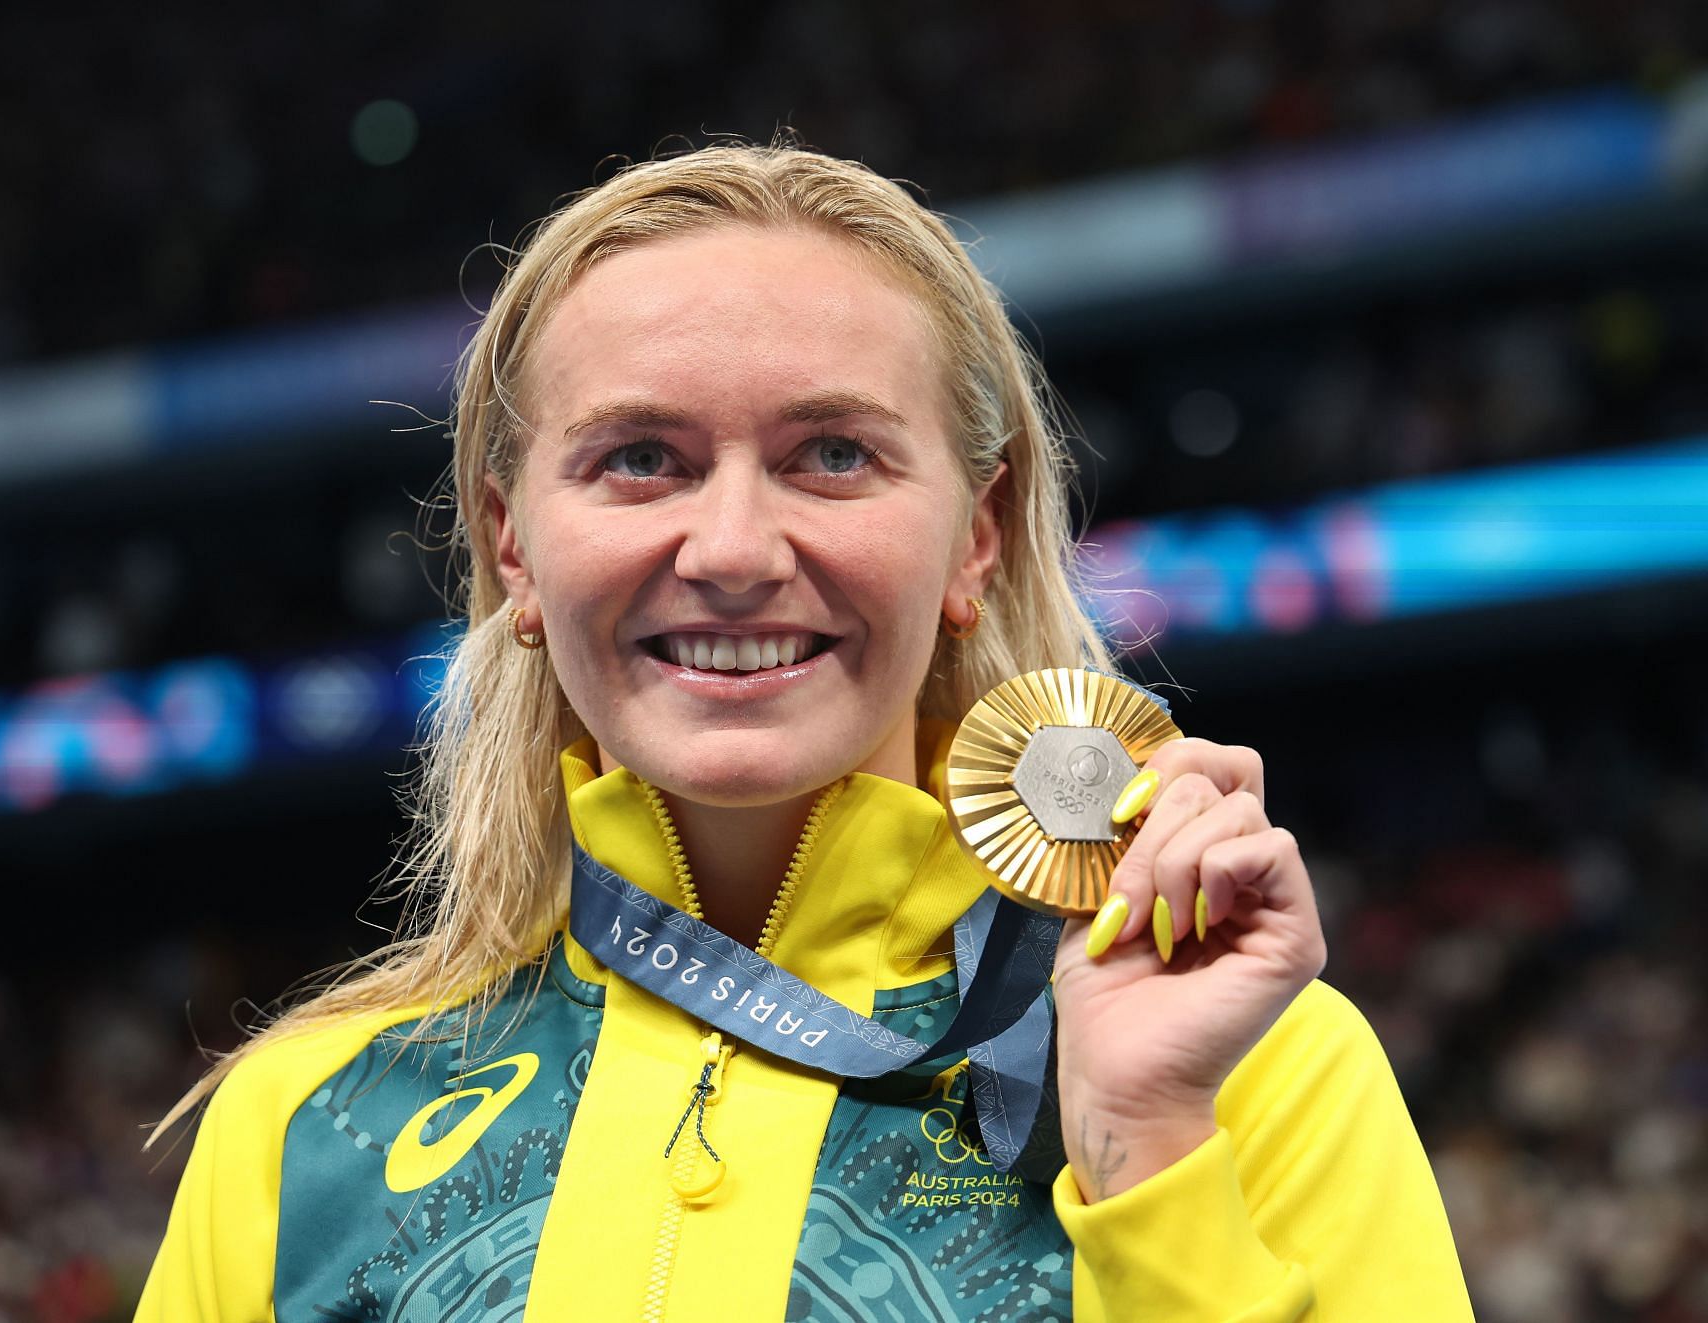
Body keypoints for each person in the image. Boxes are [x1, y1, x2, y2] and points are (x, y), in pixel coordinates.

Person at [135, 136, 1474, 1321]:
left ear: (978, 538)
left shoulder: (1252, 1066)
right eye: (639, 458)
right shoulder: (304, 1126)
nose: (730, 549)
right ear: (514, 547)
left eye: (833, 454)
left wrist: (1148, 1142)